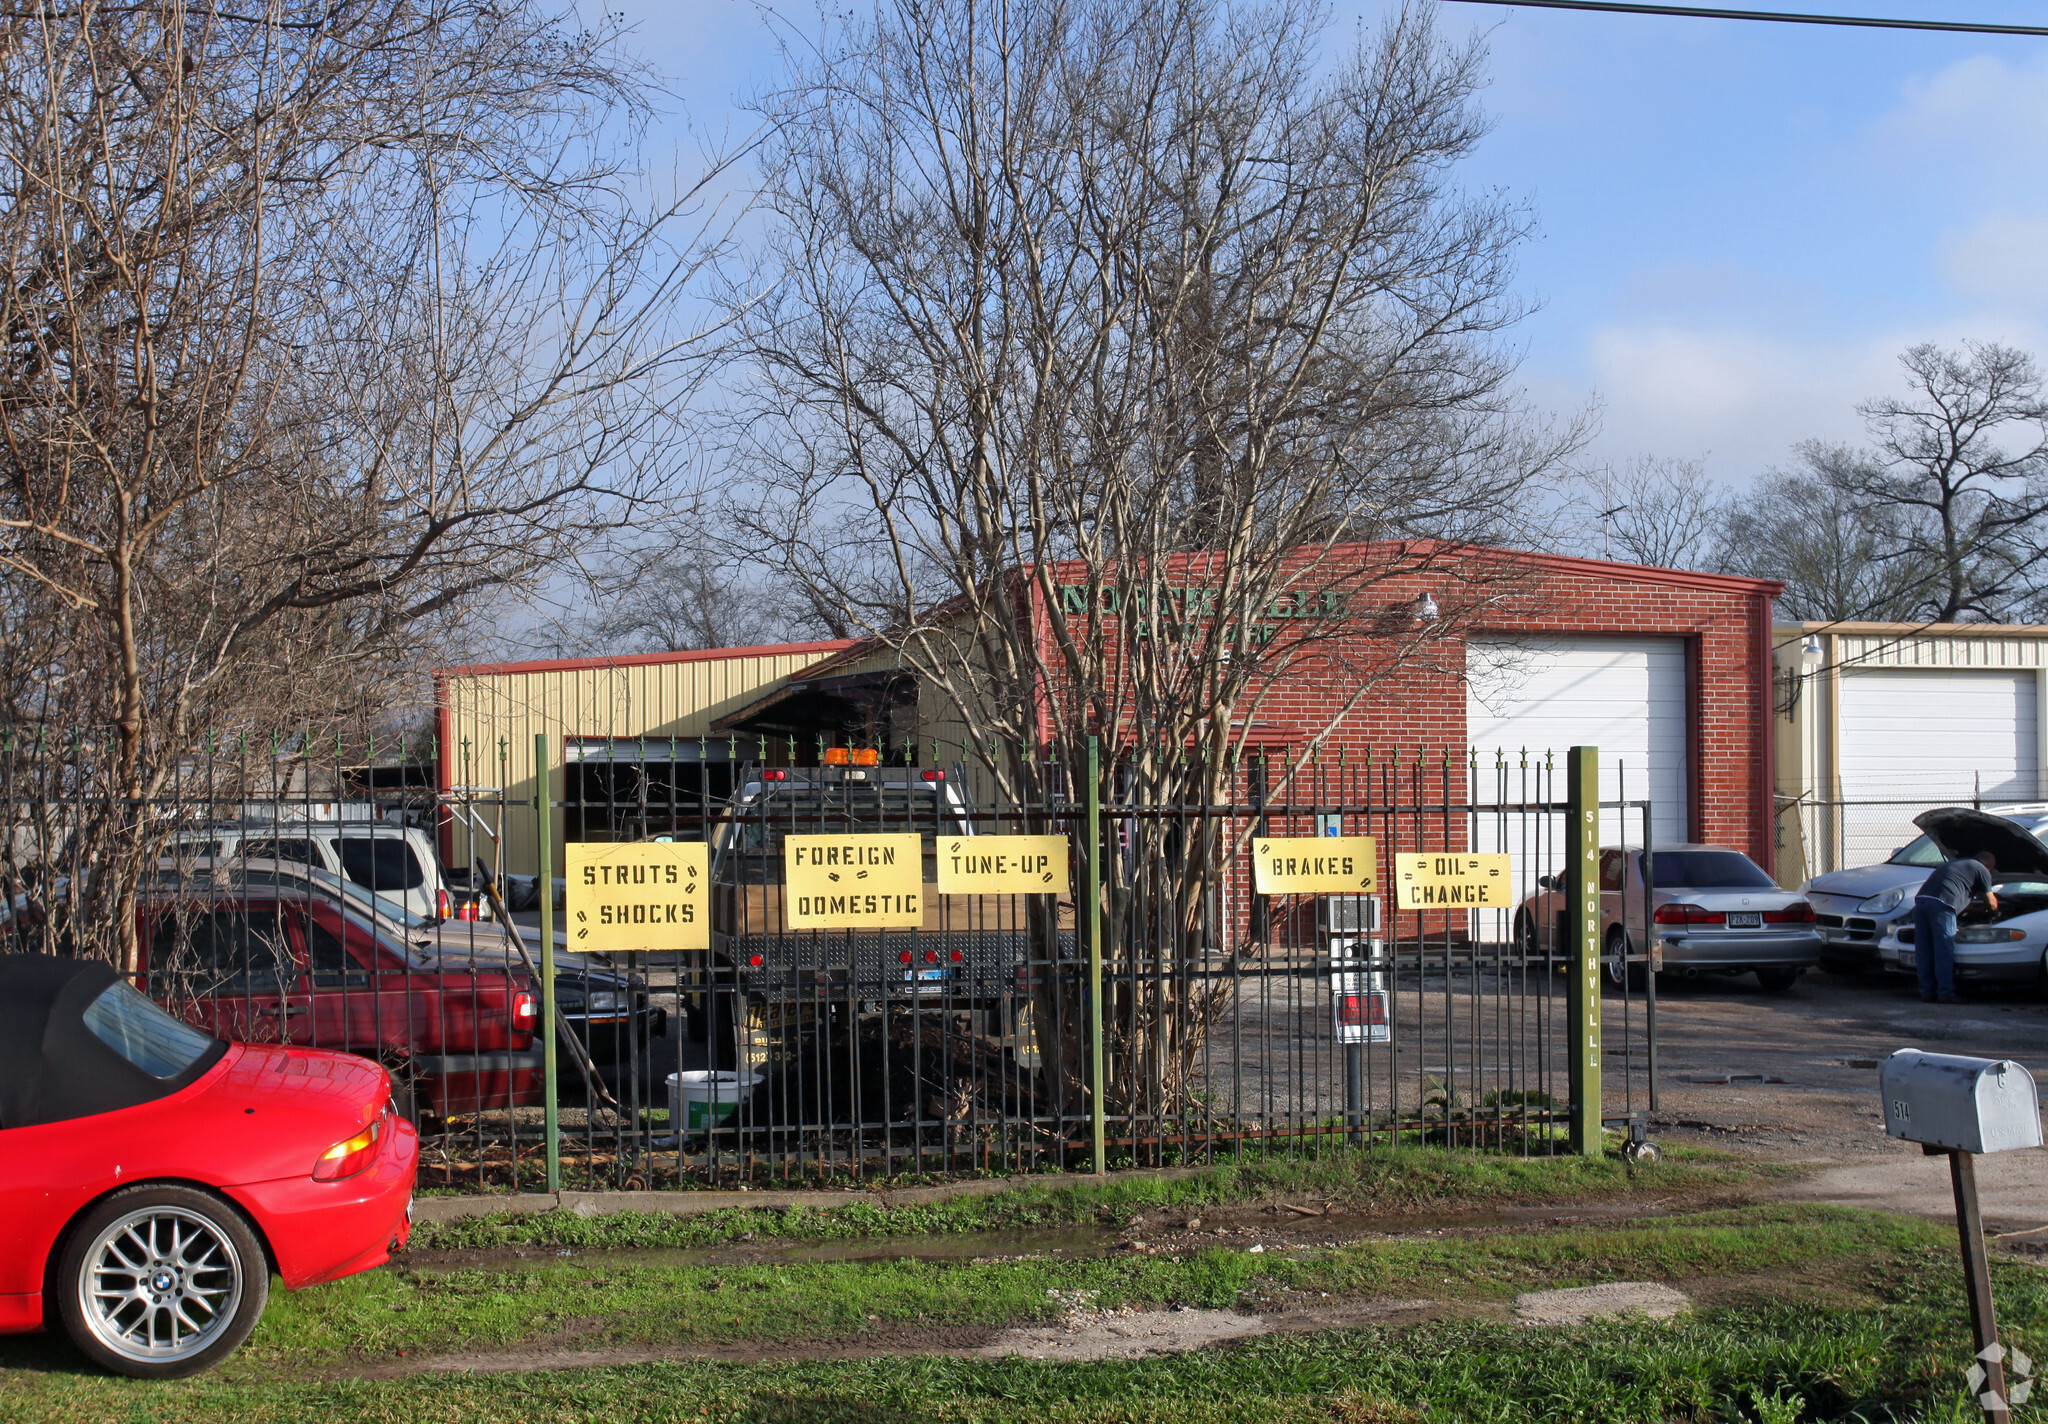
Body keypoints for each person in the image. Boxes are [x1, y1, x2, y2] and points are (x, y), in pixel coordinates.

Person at [1913, 851, 1999, 1003]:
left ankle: (1927, 992)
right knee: (1943, 949)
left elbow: (1956, 897)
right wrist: (1993, 912)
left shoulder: (1957, 864)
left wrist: (1975, 910)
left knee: (1924, 950)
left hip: (1921, 902)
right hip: (1942, 905)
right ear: (1990, 866)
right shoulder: (1981, 869)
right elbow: (1991, 904)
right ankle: (1945, 992)